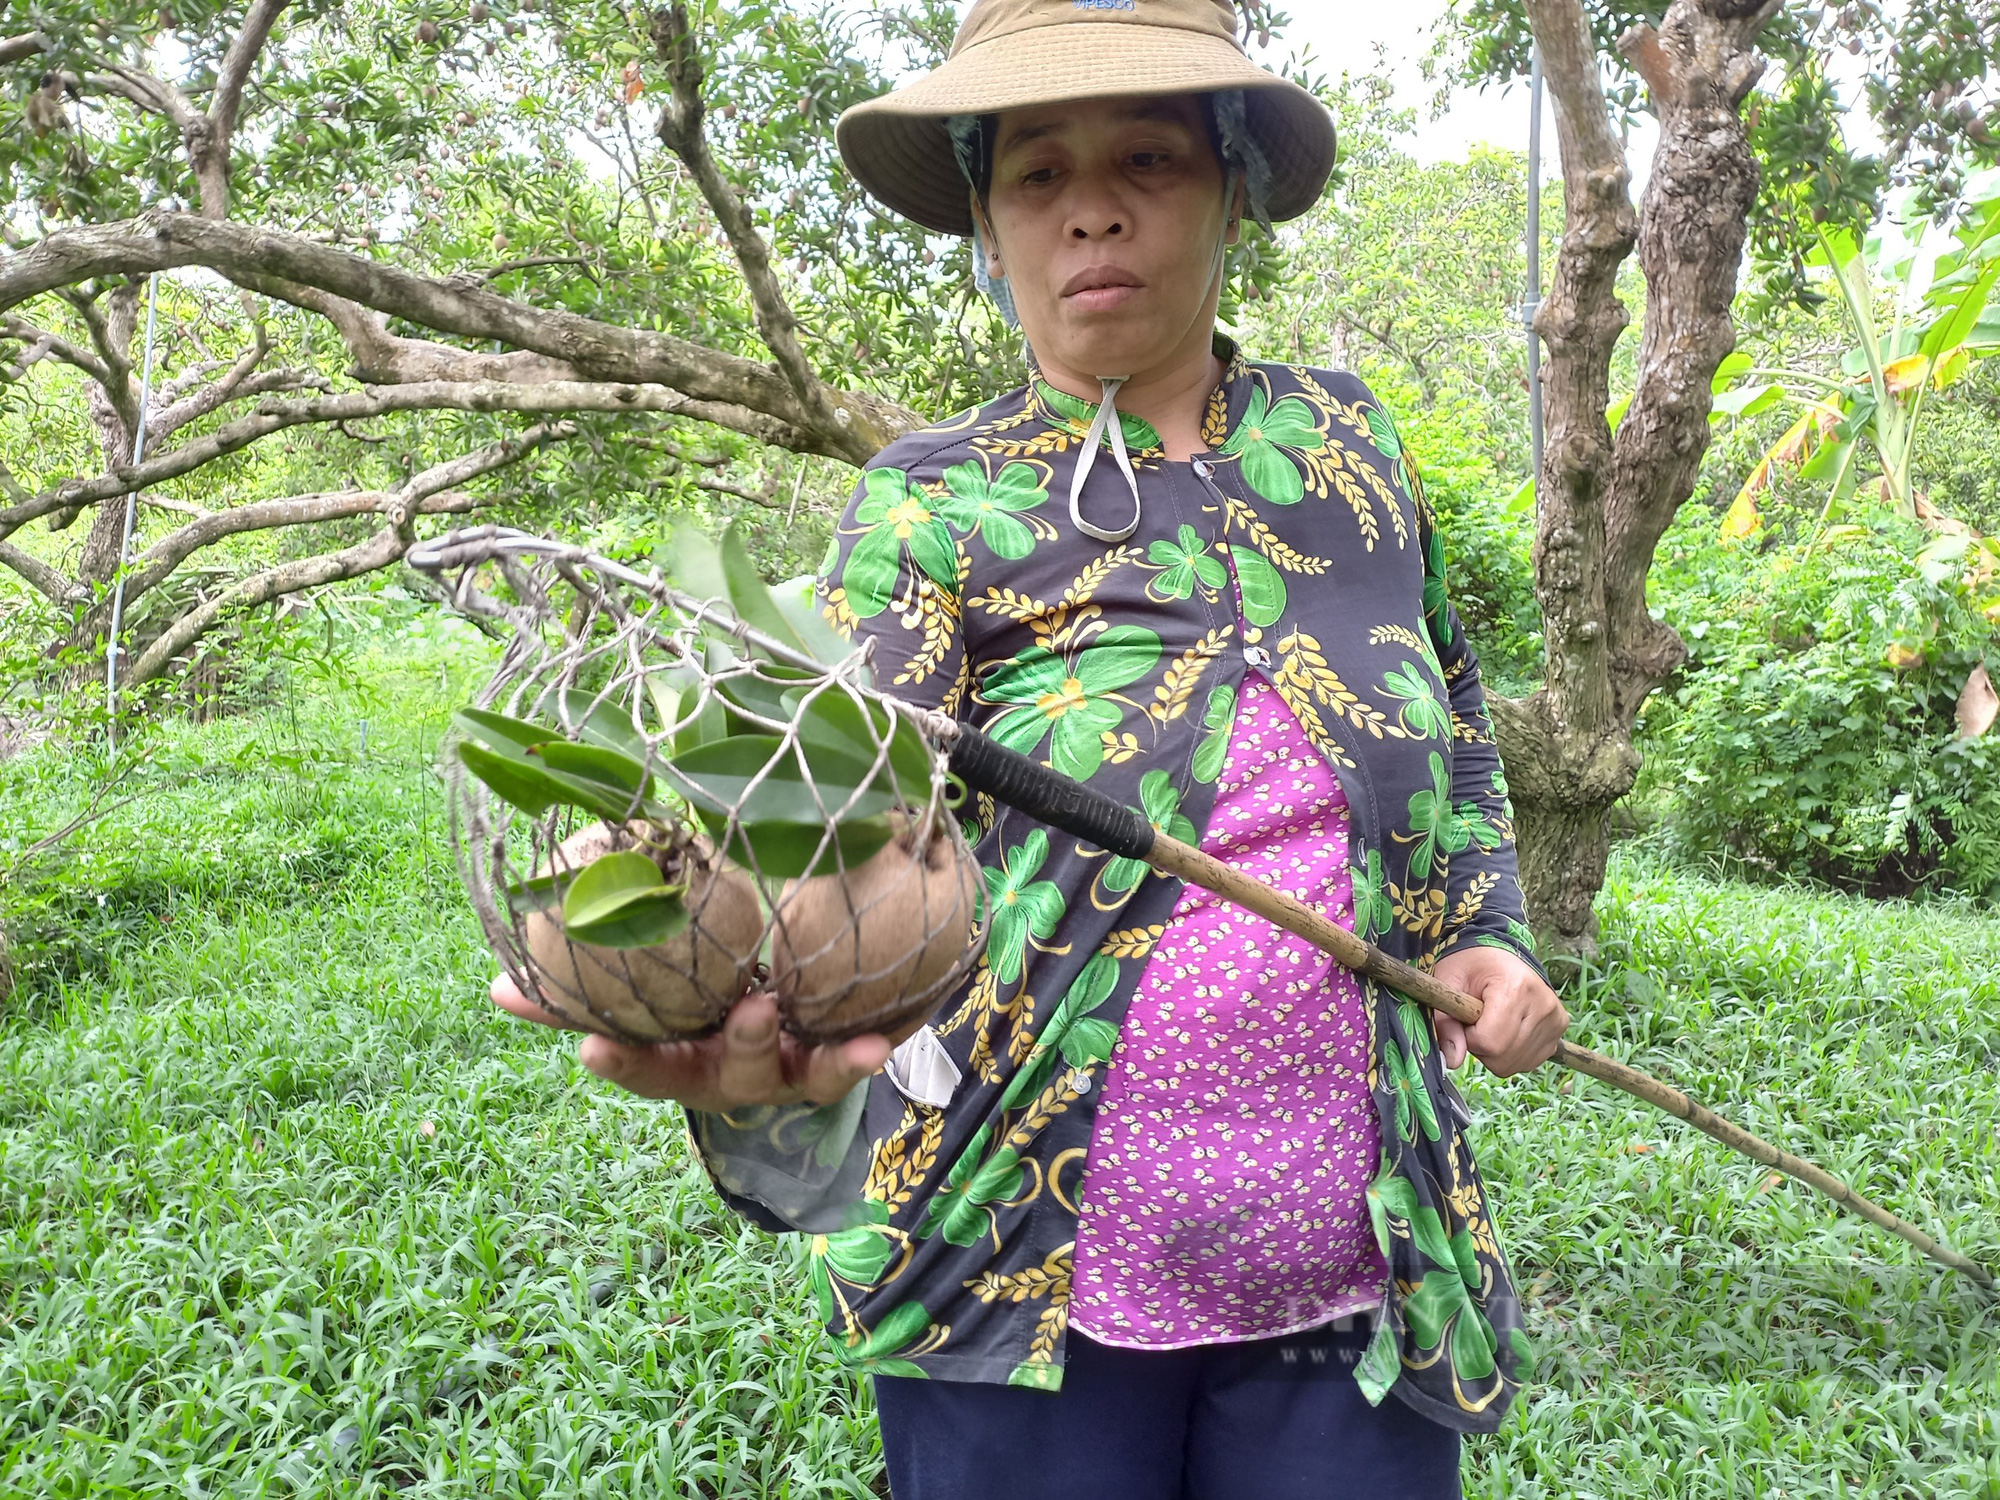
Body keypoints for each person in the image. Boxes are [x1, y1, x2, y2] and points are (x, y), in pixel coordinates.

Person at [491, 1, 1569, 1494]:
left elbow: (1446, 722)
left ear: (1235, 185)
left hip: (1355, 1264)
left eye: (1149, 157)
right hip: (1018, 1270)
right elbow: (838, 831)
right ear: (990, 227)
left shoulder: (1349, 446)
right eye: (1037, 176)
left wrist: (1493, 938)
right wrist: (753, 1022)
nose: (1095, 211)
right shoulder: (932, 503)